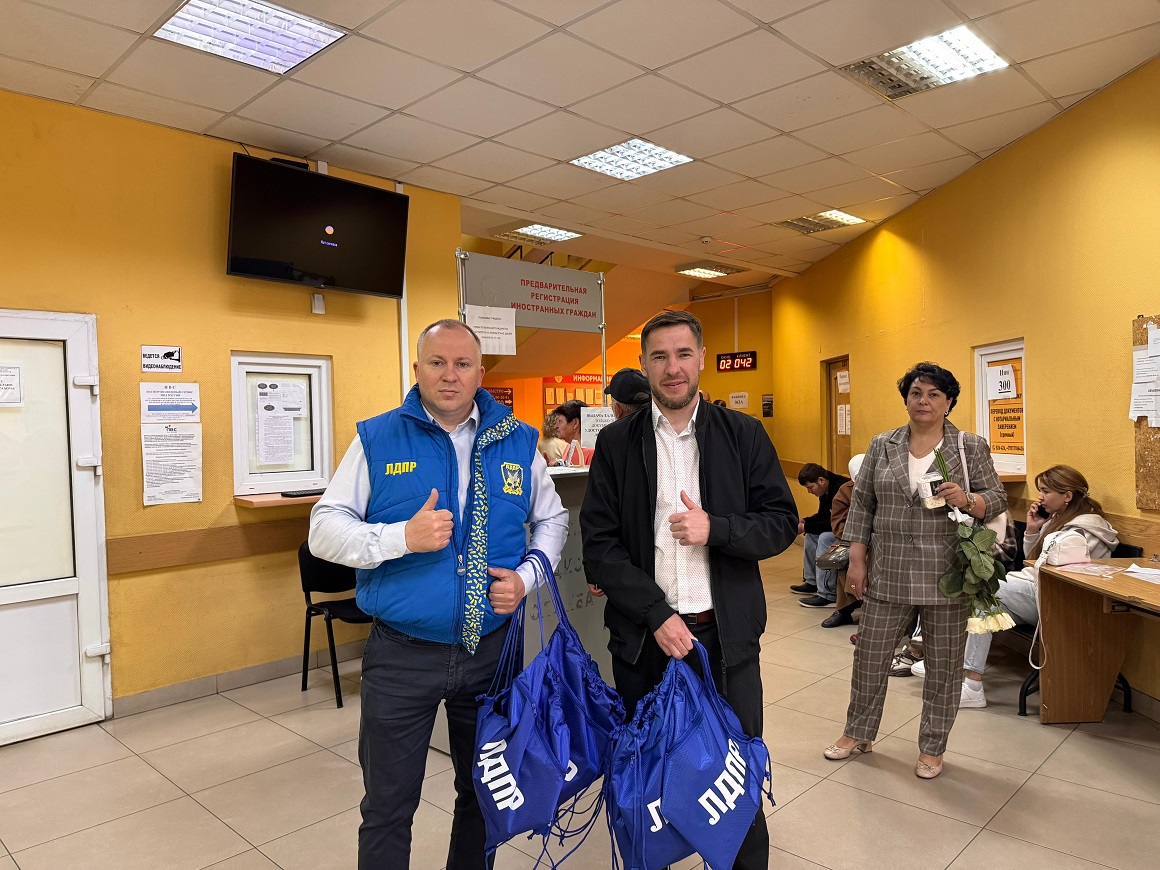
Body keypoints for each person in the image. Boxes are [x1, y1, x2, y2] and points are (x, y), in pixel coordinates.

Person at [308, 319, 568, 869]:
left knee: (482, 797)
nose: (450, 375)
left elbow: (553, 520)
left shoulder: (519, 441)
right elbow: (323, 529)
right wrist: (400, 537)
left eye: (463, 364)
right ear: (417, 369)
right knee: (387, 806)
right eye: (437, 363)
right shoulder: (378, 438)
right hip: (401, 656)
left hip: (491, 652)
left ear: (480, 373)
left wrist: (527, 578)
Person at [581, 309, 799, 870]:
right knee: (647, 779)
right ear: (644, 365)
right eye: (659, 356)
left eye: (683, 354)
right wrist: (656, 614)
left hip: (726, 641)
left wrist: (716, 529)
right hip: (645, 641)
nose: (672, 368)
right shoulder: (616, 443)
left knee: (735, 777)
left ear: (702, 358)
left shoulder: (743, 434)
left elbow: (780, 523)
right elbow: (599, 546)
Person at [824, 362, 1006, 780]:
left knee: (943, 666)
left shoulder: (968, 446)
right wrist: (856, 561)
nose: (924, 401)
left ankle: (932, 747)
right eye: (916, 393)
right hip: (888, 570)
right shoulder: (882, 444)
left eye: (934, 394)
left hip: (948, 574)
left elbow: (995, 497)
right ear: (906, 399)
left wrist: (967, 499)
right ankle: (858, 732)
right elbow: (863, 506)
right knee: (869, 657)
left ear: (949, 402)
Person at [912, 465, 1118, 707]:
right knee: (985, 605)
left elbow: (1063, 573)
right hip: (1036, 589)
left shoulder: (1088, 528)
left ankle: (955, 669)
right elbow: (1033, 559)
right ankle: (968, 681)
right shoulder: (1059, 520)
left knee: (984, 591)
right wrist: (1032, 530)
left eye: (1046, 491)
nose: (1040, 497)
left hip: (1058, 600)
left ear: (1068, 496)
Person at [792, 462, 850, 608]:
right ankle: (812, 581)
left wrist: (806, 526)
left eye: (810, 487)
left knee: (824, 538)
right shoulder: (826, 489)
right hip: (840, 528)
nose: (809, 492)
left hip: (849, 531)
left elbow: (834, 523)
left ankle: (828, 594)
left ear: (821, 480)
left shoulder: (841, 488)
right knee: (812, 534)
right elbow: (824, 515)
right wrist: (806, 521)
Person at [820, 453, 864, 630]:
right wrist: (858, 537)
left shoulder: (886, 487)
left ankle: (871, 610)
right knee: (845, 561)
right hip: (853, 539)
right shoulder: (845, 491)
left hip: (883, 540)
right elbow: (838, 523)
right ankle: (844, 610)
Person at [554, 398, 594, 466]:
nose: (556, 426)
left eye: (560, 421)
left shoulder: (591, 452)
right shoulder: (569, 447)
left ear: (575, 423)